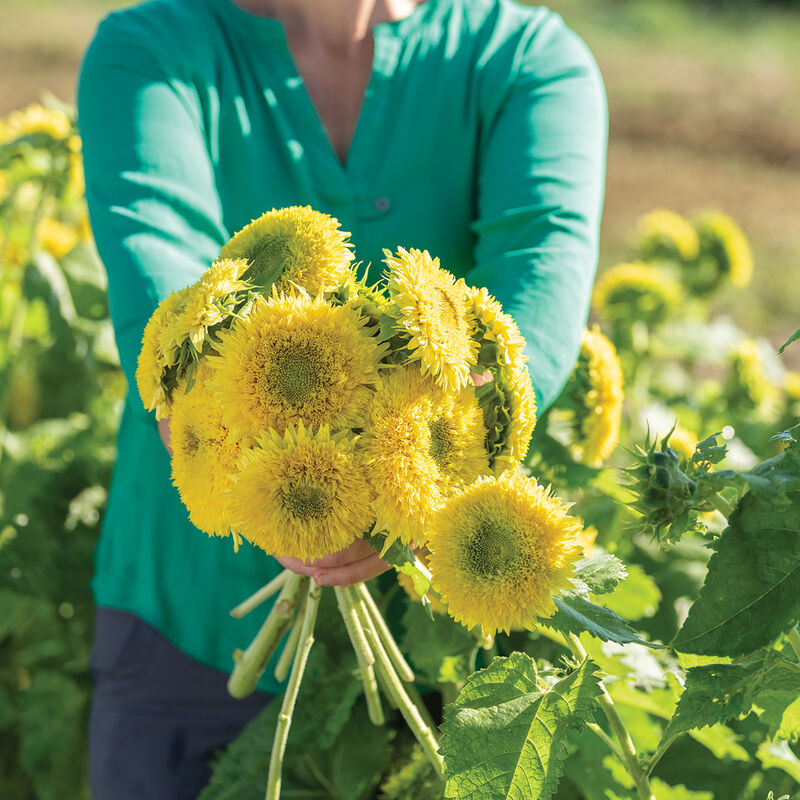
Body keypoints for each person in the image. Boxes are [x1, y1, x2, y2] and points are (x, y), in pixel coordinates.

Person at [78, 0, 607, 796]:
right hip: (184, 618)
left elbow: (535, 295)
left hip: (432, 635)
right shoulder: (152, 48)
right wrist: (285, 496)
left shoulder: (526, 59)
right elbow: (163, 283)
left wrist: (405, 493)